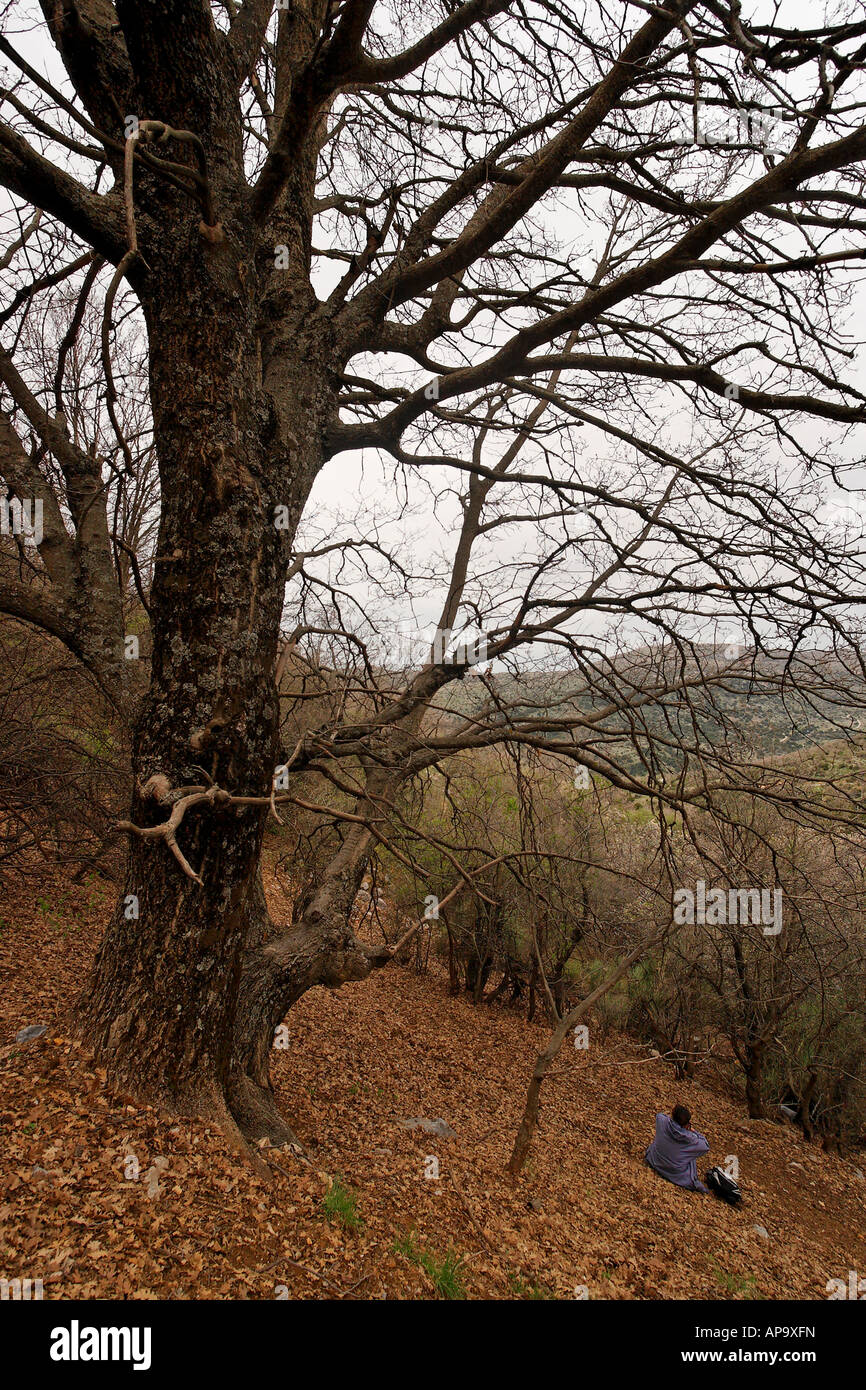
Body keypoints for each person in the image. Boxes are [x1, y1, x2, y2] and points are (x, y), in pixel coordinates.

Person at [644, 1104, 709, 1193]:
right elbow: (705, 1146)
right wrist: (693, 1131)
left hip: (654, 1160)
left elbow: (661, 1115)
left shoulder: (661, 1120)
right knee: (691, 1156)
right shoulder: (691, 1139)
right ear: (686, 1124)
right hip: (675, 1174)